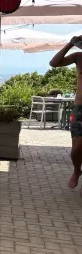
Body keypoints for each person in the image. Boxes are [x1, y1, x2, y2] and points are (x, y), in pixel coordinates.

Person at [49, 35, 82, 189]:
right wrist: (70, 44)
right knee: (76, 150)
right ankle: (77, 170)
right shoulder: (79, 57)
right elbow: (53, 63)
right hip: (80, 109)